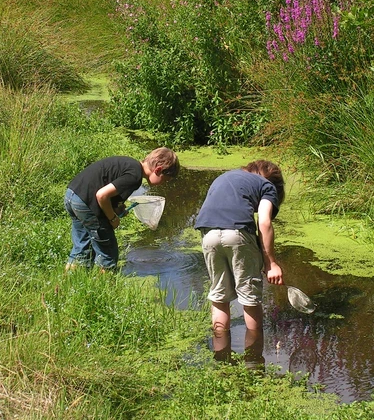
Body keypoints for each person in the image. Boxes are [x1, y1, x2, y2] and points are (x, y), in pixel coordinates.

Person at [194, 160, 286, 366]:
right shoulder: (266, 186)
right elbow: (264, 222)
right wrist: (271, 262)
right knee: (249, 296)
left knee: (219, 295)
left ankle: (221, 360)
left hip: (207, 233)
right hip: (238, 233)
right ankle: (253, 361)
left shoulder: (226, 177)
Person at [64, 147, 179, 271]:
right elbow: (101, 195)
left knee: (82, 246)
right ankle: (104, 283)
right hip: (87, 203)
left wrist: (116, 208)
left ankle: (70, 280)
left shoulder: (130, 165)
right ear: (158, 170)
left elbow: (108, 190)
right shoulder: (135, 176)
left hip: (73, 195)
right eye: (165, 180)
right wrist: (112, 218)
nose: (164, 183)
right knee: (108, 251)